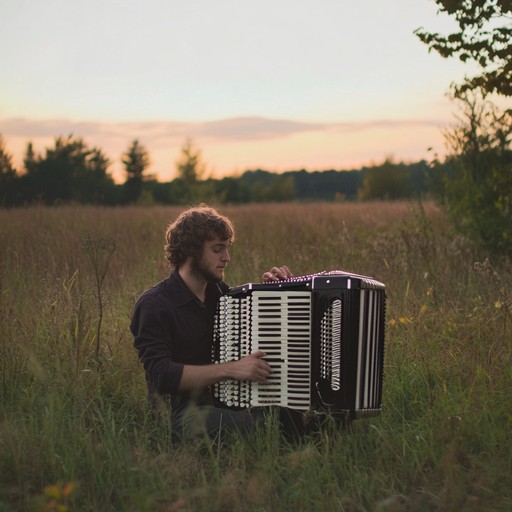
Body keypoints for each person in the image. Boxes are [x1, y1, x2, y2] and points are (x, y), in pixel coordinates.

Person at [130, 205, 305, 442]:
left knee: (296, 411)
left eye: (226, 248)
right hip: (182, 413)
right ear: (191, 252)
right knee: (270, 423)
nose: (226, 258)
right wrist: (232, 369)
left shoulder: (219, 293)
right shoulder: (155, 305)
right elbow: (161, 375)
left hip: (229, 401)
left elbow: (249, 328)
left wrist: (273, 291)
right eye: (217, 249)